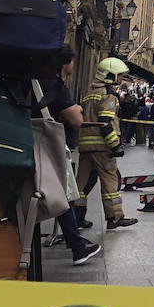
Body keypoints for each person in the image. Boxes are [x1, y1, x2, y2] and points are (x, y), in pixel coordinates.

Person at [35, 45, 101, 266]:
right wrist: (76, 110)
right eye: (72, 61)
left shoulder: (32, 80)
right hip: (49, 147)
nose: (73, 65)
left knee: (60, 196)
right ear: (65, 64)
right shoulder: (56, 86)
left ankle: (77, 246)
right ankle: (78, 248)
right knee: (64, 195)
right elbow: (76, 120)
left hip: (28, 142)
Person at [75, 57, 139, 232]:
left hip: (86, 145)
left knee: (81, 183)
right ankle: (115, 217)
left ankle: (76, 217)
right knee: (111, 180)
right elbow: (105, 122)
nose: (120, 80)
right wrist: (115, 145)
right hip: (102, 147)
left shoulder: (90, 93)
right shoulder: (109, 96)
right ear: (110, 76)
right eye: (119, 76)